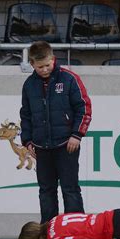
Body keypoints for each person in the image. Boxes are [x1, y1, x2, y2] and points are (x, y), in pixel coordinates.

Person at [20, 41, 92, 224]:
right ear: (32, 65)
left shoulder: (69, 79)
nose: (44, 69)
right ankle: (48, 232)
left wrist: (76, 135)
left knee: (70, 189)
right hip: (41, 147)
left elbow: (84, 107)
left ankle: (76, 230)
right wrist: (27, 141)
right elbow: (26, 115)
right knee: (46, 190)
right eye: (39, 67)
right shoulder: (29, 85)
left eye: (47, 65)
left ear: (53, 59)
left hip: (66, 145)